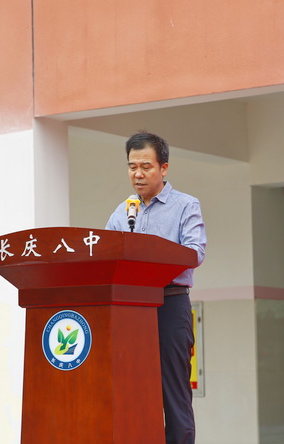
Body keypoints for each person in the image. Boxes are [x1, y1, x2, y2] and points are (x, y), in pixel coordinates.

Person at [105, 131, 206, 444]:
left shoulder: (185, 205)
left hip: (170, 304)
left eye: (146, 166)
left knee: (173, 392)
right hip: (130, 309)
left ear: (163, 168)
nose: (138, 174)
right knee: (132, 389)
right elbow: (106, 257)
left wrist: (153, 253)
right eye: (132, 166)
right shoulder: (122, 212)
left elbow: (195, 252)